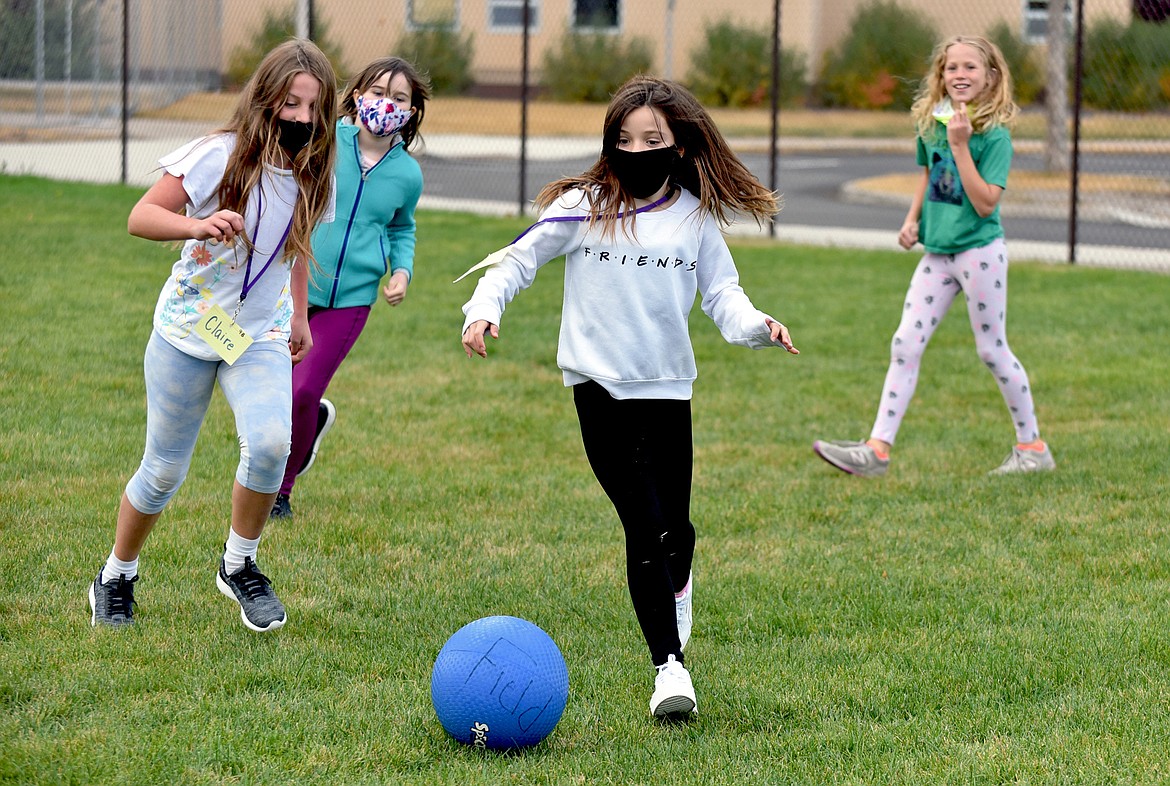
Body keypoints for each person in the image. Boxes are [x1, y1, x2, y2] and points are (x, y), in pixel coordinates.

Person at [459, 75, 799, 719]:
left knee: (678, 531)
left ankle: (679, 581)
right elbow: (517, 261)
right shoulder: (583, 206)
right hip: (597, 389)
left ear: (679, 146)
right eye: (623, 138)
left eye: (652, 139)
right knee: (643, 526)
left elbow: (724, 297)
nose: (636, 149)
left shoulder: (695, 219)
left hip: (669, 390)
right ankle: (669, 669)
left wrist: (759, 327)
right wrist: (484, 309)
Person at [88, 39, 337, 631]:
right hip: (192, 325)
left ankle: (239, 565)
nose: (302, 118)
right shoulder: (217, 155)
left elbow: (295, 247)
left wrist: (299, 315)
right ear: (265, 98)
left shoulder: (314, 175)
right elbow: (140, 216)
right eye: (291, 104)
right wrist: (197, 222)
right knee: (164, 469)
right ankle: (117, 574)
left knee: (273, 444)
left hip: (259, 335)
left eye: (313, 108)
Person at [813, 35, 1055, 478]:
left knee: (992, 350)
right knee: (904, 343)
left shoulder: (994, 136)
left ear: (991, 76)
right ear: (940, 76)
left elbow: (986, 203)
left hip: (980, 253)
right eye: (951, 68)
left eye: (970, 68)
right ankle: (877, 451)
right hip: (937, 255)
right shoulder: (932, 122)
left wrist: (962, 145)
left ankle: (1033, 447)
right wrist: (912, 221)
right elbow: (928, 176)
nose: (959, 75)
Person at [270, 56, 430, 521]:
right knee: (276, 388)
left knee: (301, 392)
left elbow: (403, 228)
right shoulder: (325, 141)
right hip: (295, 284)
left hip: (352, 300)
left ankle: (281, 489)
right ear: (358, 95)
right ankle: (310, 425)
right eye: (377, 92)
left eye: (399, 98)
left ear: (412, 111)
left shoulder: (407, 175)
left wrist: (401, 271)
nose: (386, 103)